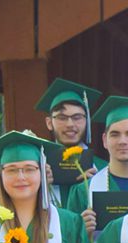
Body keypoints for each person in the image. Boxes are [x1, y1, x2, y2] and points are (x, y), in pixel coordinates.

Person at [66, 96, 128, 240]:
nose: (123, 141)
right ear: (104, 140)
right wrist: (80, 233)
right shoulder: (83, 191)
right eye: (115, 134)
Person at [35, 78, 103, 206]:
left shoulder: (103, 169)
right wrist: (39, 188)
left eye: (77, 117)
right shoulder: (36, 168)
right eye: (62, 118)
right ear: (49, 123)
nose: (70, 124)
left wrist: (95, 185)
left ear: (87, 121)